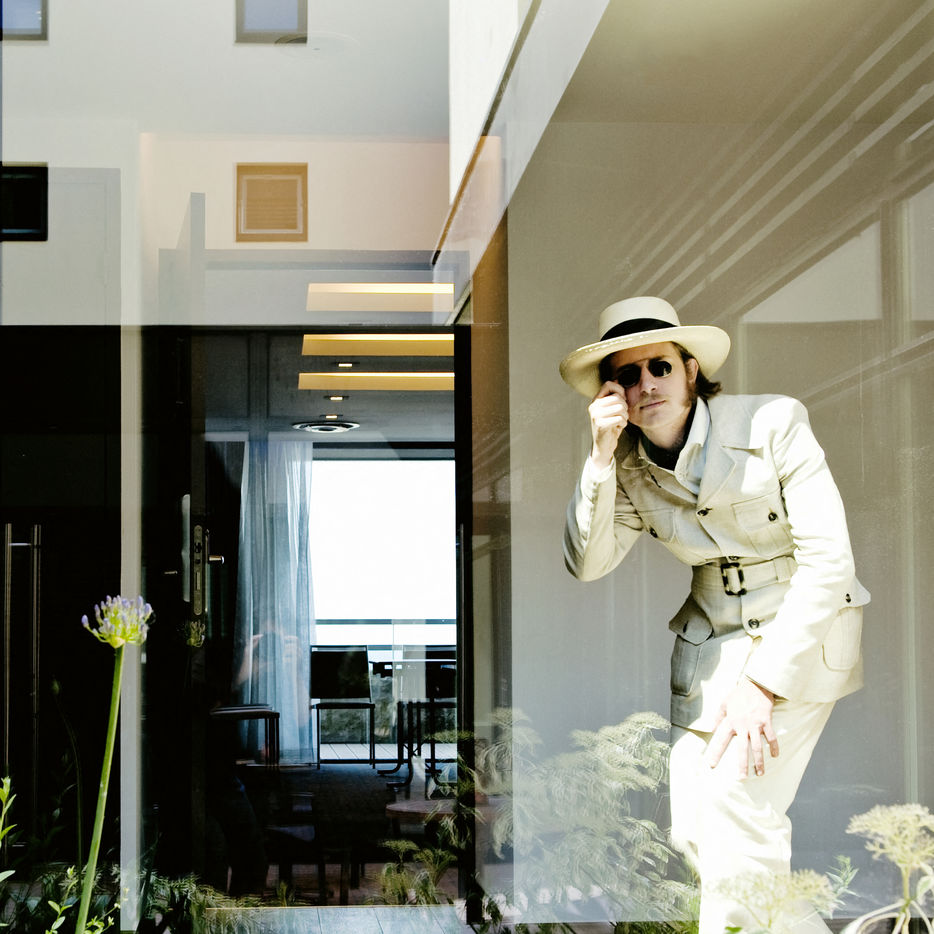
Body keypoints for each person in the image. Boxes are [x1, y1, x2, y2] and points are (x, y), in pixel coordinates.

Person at [560, 296, 868, 934]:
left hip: (800, 632)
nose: (648, 385)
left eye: (661, 367)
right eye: (628, 375)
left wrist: (763, 683)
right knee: (699, 831)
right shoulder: (626, 467)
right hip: (712, 649)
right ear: (611, 394)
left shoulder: (774, 422)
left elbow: (830, 563)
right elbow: (587, 564)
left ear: (691, 370)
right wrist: (599, 457)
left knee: (736, 807)